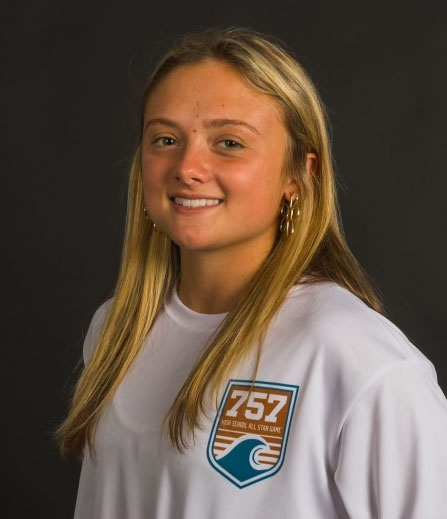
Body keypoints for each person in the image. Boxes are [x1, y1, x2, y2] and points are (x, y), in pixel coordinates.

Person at [57, 26, 447, 518]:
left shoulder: (351, 355)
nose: (188, 166)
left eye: (228, 142)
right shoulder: (116, 331)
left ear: (297, 175)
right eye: (166, 138)